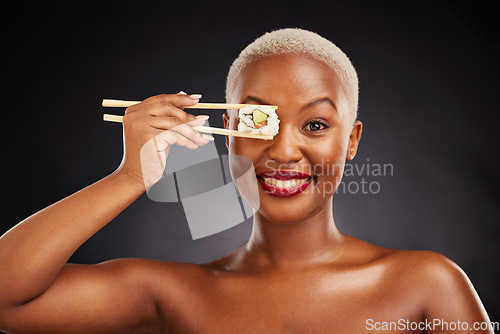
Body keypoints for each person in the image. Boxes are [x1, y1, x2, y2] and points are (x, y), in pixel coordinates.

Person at [0, 28, 493, 333]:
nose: (282, 151)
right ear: (229, 136)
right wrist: (130, 176)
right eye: (257, 123)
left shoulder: (427, 284)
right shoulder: (175, 294)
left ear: (353, 141)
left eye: (316, 125)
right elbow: (8, 299)